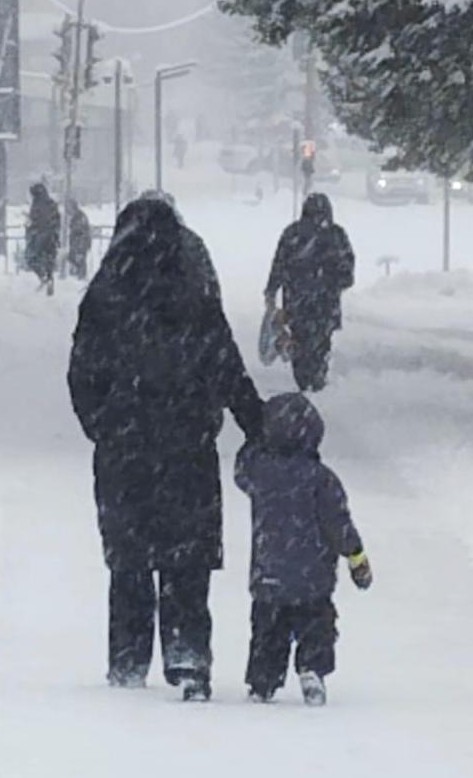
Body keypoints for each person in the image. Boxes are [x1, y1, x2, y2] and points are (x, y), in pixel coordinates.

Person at [68, 199, 263, 702]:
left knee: (129, 561)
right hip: (188, 444)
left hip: (124, 448)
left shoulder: (107, 291)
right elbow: (226, 364)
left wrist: (103, 425)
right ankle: (188, 655)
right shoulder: (194, 289)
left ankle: (129, 661)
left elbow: (82, 373)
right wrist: (258, 426)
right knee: (187, 558)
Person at [234, 393, 372, 706]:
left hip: (268, 575)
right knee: (317, 625)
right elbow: (339, 524)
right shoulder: (321, 480)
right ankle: (312, 668)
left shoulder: (260, 473)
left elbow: (240, 470)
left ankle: (262, 680)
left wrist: (254, 439)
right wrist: (356, 557)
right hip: (313, 578)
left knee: (267, 631)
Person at [265, 193, 355, 392]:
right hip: (325, 306)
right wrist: (330, 283)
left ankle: (304, 378)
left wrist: (271, 291)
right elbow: (347, 274)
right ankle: (317, 378)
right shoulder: (336, 235)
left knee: (300, 340)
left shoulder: (292, 234)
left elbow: (278, 265)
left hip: (297, 304)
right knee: (321, 343)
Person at [25, 181, 61, 295]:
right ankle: (49, 280)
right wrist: (55, 234)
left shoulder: (36, 205)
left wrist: (29, 230)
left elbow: (34, 222)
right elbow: (57, 220)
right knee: (49, 260)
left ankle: (43, 275)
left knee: (30, 257)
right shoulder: (52, 204)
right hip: (52, 237)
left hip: (40, 236)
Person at [66, 198, 92, 280]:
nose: (68, 209)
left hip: (80, 243)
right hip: (76, 243)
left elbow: (82, 232)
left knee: (79, 259)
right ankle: (78, 275)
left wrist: (80, 246)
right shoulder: (75, 216)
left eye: (69, 206)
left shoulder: (80, 217)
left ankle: (81, 277)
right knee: (73, 258)